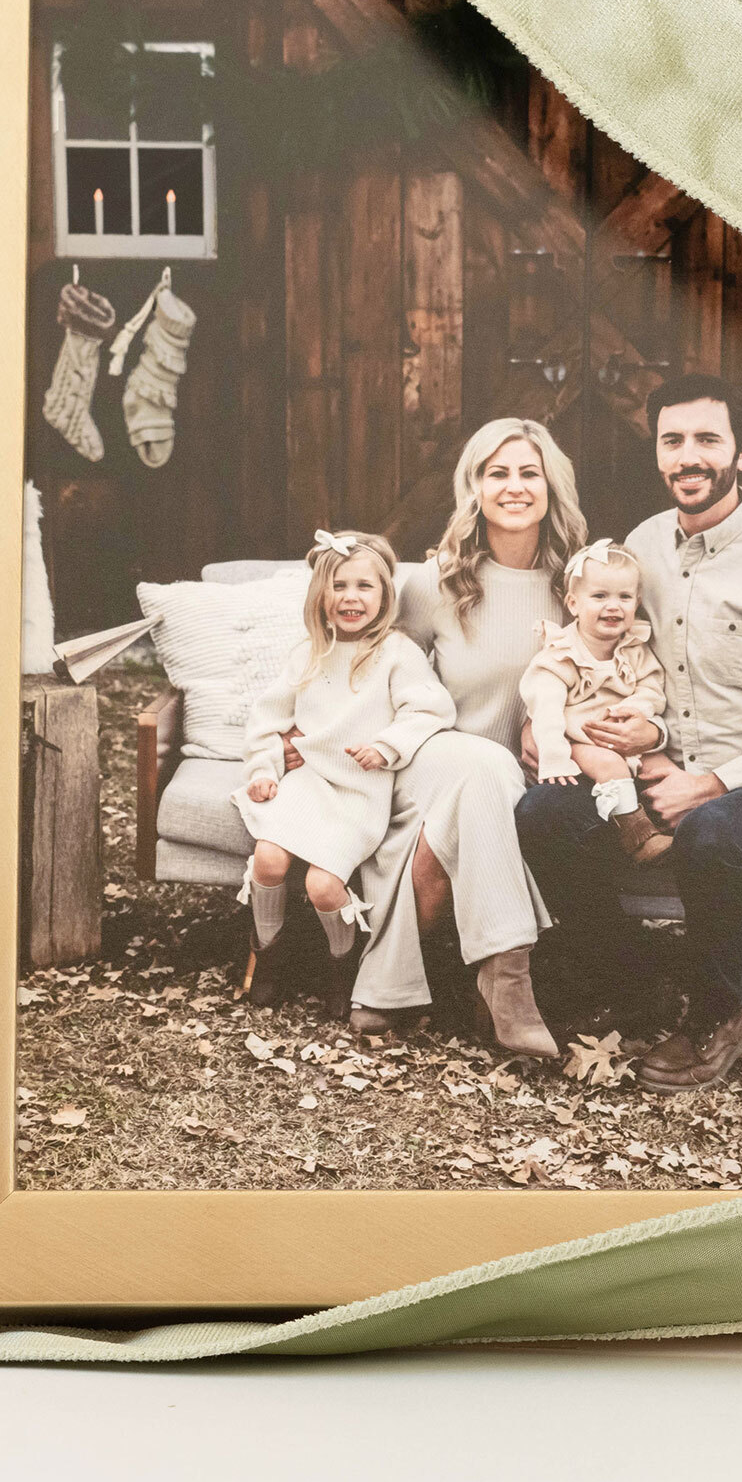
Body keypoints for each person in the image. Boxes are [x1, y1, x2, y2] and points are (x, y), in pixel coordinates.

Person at [515, 374, 742, 1090]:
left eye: (708, 439)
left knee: (714, 832)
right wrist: (564, 724)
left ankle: (720, 1013)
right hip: (654, 769)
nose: (688, 456)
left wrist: (711, 783)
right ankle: (626, 976)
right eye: (673, 440)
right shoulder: (643, 547)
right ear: (658, 452)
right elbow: (609, 658)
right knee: (544, 812)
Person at [292, 418, 586, 1057]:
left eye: (528, 472)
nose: (513, 486)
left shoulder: (578, 588)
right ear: (473, 487)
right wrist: (309, 735)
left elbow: (607, 679)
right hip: (429, 758)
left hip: (524, 775)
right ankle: (508, 983)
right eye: (496, 473)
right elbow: (356, 661)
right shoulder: (429, 585)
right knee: (475, 765)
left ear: (551, 486)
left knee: (467, 804)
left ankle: (391, 987)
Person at [236, 532, 454, 969]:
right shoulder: (309, 654)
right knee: (268, 859)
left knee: (323, 885)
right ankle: (268, 955)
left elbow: (432, 709)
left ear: (384, 594)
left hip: (360, 792)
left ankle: (342, 962)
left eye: (364, 586)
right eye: (338, 586)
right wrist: (265, 768)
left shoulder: (396, 653)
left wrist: (386, 747)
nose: (350, 597)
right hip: (308, 782)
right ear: (321, 595)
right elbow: (267, 719)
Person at [518, 538, 673, 865]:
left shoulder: (634, 649)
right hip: (574, 739)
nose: (613, 606)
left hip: (620, 737)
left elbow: (652, 686)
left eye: (625, 597)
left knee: (663, 768)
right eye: (600, 596)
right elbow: (545, 714)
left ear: (637, 602)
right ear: (573, 603)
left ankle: (678, 828)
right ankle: (638, 837)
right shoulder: (562, 655)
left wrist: (639, 709)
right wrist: (555, 758)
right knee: (608, 765)